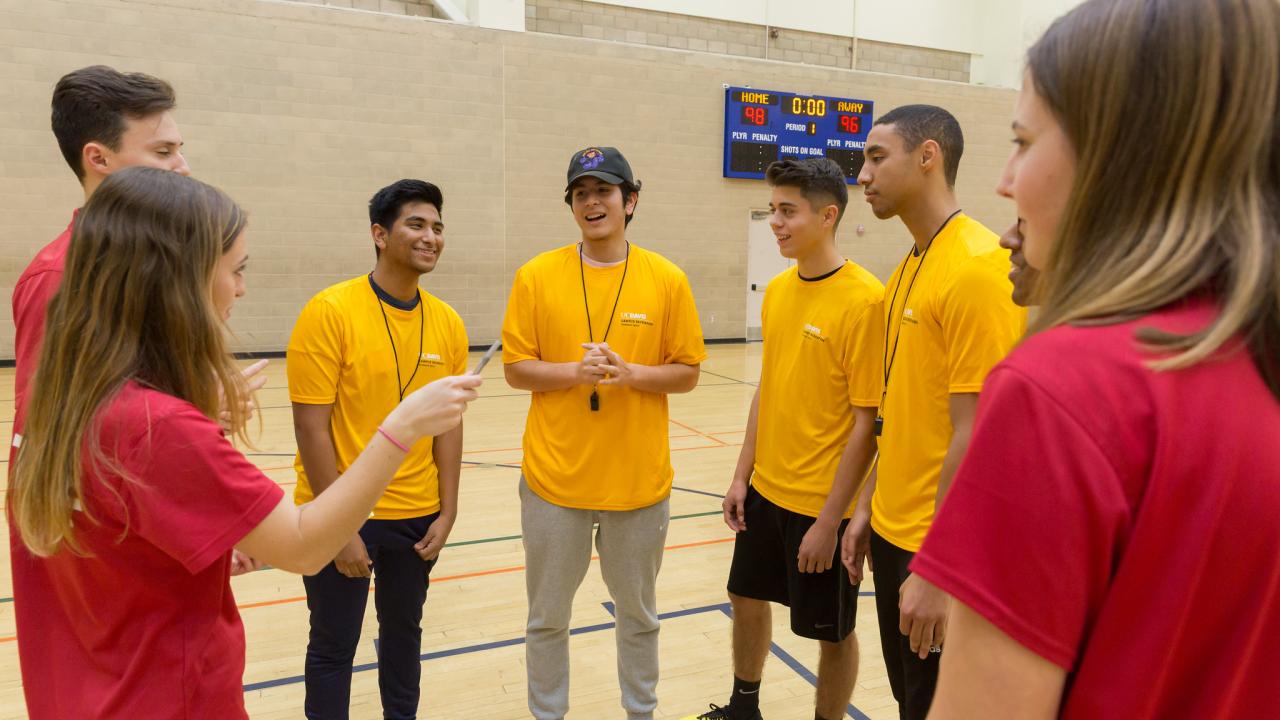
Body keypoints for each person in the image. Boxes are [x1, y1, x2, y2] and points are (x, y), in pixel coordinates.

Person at [912, 0, 1280, 717]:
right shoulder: (1253, 360)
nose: (1006, 181)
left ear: (1120, 153)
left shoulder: (1063, 392)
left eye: (1023, 140)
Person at [8, 167, 481, 720]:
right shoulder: (156, 425)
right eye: (236, 269)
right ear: (178, 279)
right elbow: (304, 543)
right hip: (164, 697)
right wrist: (401, 429)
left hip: (84, 689)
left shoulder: (67, 399)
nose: (242, 287)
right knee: (334, 642)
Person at [502, 146, 706, 720]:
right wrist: (574, 372)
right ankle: (548, 714)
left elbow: (688, 372)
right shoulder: (536, 276)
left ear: (630, 200)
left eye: (604, 191)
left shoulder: (666, 279)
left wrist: (633, 374)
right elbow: (516, 368)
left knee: (639, 617)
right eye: (580, 193)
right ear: (572, 204)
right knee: (546, 618)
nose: (592, 202)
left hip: (638, 486)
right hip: (553, 484)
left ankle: (640, 712)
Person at [841, 105, 1027, 720]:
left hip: (940, 550)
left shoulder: (978, 268)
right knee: (910, 703)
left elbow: (983, 436)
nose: (861, 175)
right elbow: (903, 413)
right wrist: (868, 504)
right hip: (897, 537)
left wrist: (942, 570)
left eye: (875, 157)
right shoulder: (904, 272)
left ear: (928, 157)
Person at [687, 158, 883, 720]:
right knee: (744, 598)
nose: (775, 221)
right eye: (772, 210)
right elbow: (767, 391)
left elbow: (868, 423)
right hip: (767, 491)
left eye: (787, 211)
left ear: (827, 215)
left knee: (832, 632)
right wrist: (740, 475)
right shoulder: (776, 291)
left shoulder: (865, 301)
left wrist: (830, 520)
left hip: (823, 505)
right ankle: (743, 708)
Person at [287, 179, 468, 720]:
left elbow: (449, 427)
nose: (430, 236)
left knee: (403, 637)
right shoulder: (330, 310)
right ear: (378, 234)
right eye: (416, 224)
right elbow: (310, 428)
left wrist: (449, 509)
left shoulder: (448, 322)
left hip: (415, 516)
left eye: (437, 227)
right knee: (333, 646)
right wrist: (338, 528)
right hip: (338, 512)